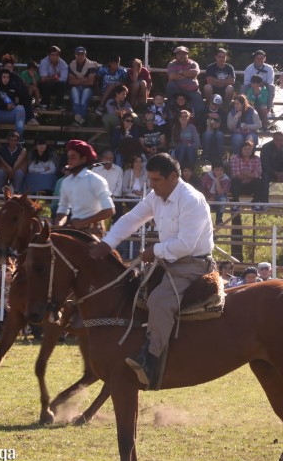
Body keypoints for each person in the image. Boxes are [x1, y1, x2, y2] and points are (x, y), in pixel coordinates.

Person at [91, 153, 215, 389]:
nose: (152, 184)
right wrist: (108, 242)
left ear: (173, 177)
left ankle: (152, 359)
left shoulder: (191, 200)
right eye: (150, 179)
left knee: (160, 300)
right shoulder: (156, 195)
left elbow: (186, 245)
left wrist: (155, 250)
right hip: (167, 260)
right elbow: (132, 219)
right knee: (129, 290)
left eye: (156, 180)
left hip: (192, 264)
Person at [54, 140, 115, 236]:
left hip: (93, 233)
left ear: (83, 159)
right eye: (69, 158)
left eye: (73, 157)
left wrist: (82, 222)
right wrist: (58, 225)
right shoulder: (66, 182)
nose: (70, 161)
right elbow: (62, 209)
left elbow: (109, 210)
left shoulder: (96, 180)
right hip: (74, 231)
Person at [165, 46, 206, 117]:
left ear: (188, 55)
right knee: (170, 85)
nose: (181, 56)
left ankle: (198, 123)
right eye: (179, 54)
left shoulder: (193, 64)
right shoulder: (172, 64)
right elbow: (171, 76)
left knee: (200, 109)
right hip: (176, 91)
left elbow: (195, 73)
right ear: (176, 55)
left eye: (184, 54)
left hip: (192, 91)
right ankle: (170, 117)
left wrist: (180, 72)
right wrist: (188, 74)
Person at [0, 69, 26, 138]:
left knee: (20, 108)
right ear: (0, 77)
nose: (6, 79)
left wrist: (17, 102)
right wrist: (5, 106)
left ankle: (19, 136)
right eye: (4, 77)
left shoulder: (13, 86)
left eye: (7, 77)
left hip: (11, 114)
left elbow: (23, 98)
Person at [259, 131, 283, 204]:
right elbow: (264, 164)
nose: (279, 142)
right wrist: (275, 173)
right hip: (270, 172)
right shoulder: (266, 147)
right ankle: (264, 203)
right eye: (276, 140)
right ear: (273, 139)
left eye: (281, 140)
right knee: (264, 176)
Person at [229, 140, 264, 210]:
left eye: (249, 149)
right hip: (239, 186)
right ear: (241, 149)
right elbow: (236, 173)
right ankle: (235, 204)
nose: (247, 151)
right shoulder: (235, 158)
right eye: (245, 149)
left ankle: (256, 203)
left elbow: (258, 173)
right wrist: (250, 175)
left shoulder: (257, 159)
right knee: (235, 181)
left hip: (251, 186)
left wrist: (245, 174)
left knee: (259, 181)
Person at [67, 46, 98, 125]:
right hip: (75, 88)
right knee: (76, 101)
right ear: (75, 55)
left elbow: (91, 82)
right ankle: (80, 121)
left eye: (82, 54)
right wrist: (84, 79)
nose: (80, 56)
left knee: (83, 101)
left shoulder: (91, 65)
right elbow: (71, 81)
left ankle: (79, 121)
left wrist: (77, 80)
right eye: (78, 54)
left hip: (88, 89)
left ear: (85, 55)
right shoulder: (72, 64)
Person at [38, 45, 68, 110]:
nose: (54, 56)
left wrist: (50, 78)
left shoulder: (63, 64)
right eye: (52, 54)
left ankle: (58, 105)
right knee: (46, 84)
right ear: (49, 55)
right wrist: (56, 76)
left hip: (56, 85)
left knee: (62, 84)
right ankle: (44, 104)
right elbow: (43, 79)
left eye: (56, 55)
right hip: (45, 86)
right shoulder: (44, 62)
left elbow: (63, 79)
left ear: (59, 56)